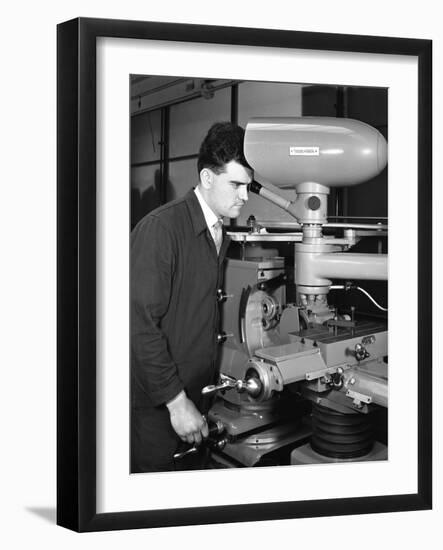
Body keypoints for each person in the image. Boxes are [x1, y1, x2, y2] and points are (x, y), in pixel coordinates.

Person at [131, 122, 253, 472]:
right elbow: (138, 325)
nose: (244, 196)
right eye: (236, 185)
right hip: (157, 410)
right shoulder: (162, 230)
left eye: (247, 186)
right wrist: (175, 401)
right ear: (207, 177)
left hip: (198, 398)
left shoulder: (217, 232)